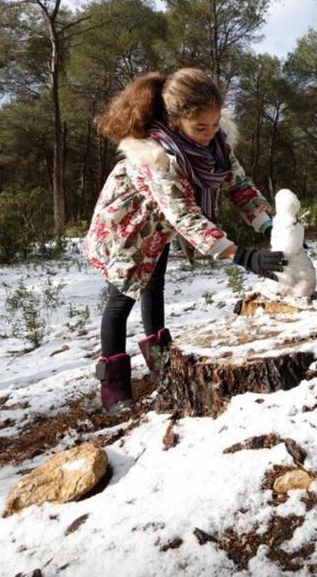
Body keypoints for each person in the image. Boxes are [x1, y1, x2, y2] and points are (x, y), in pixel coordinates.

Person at [85, 68, 287, 414]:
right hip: (126, 229)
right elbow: (185, 216)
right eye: (200, 128)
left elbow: (239, 185)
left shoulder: (217, 144)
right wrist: (242, 256)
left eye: (215, 123)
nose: (210, 134)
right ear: (176, 120)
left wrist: (271, 225)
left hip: (160, 227)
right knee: (123, 299)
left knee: (155, 288)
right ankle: (113, 383)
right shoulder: (156, 157)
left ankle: (160, 362)